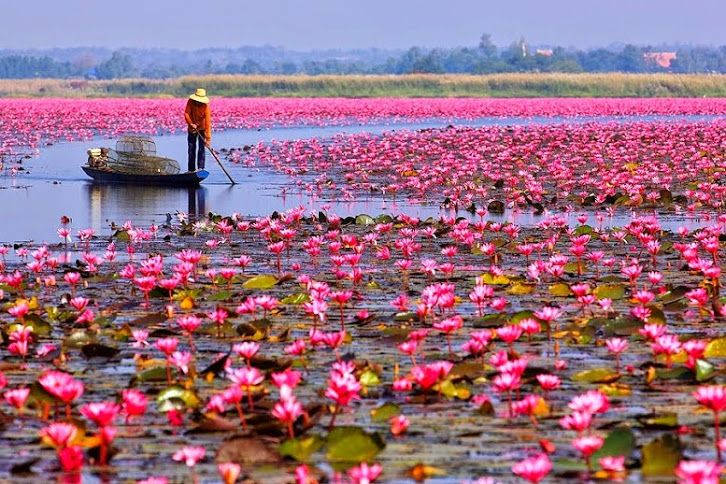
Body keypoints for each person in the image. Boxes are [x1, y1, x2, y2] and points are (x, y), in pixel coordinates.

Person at [184, 88, 212, 172]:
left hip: (202, 128)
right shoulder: (190, 102)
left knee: (201, 148)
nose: (198, 102)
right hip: (191, 128)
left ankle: (200, 168)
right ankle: (191, 169)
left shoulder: (205, 106)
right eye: (197, 100)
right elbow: (186, 113)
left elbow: (207, 123)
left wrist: (208, 139)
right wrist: (191, 123)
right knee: (191, 148)